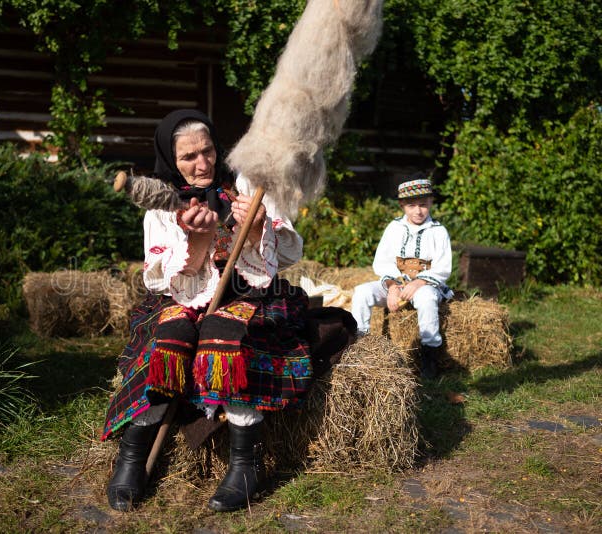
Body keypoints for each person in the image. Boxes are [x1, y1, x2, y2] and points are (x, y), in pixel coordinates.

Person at [101, 109, 313, 512]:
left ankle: (245, 466)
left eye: (209, 150)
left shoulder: (247, 185)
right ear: (170, 158)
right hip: (184, 294)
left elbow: (287, 253)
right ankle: (131, 457)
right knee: (170, 340)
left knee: (224, 336)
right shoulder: (162, 206)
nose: (203, 164)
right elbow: (160, 280)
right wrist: (197, 240)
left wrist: (253, 228)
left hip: (247, 293)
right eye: (189, 157)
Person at [350, 174, 453, 378]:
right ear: (402, 205)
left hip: (424, 286)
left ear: (431, 202)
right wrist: (392, 286)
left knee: (426, 299)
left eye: (423, 204)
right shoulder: (394, 228)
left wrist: (420, 282)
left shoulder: (438, 231)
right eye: (411, 205)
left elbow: (442, 267)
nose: (418, 210)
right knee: (362, 292)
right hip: (395, 284)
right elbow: (382, 262)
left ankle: (429, 356)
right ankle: (359, 346)